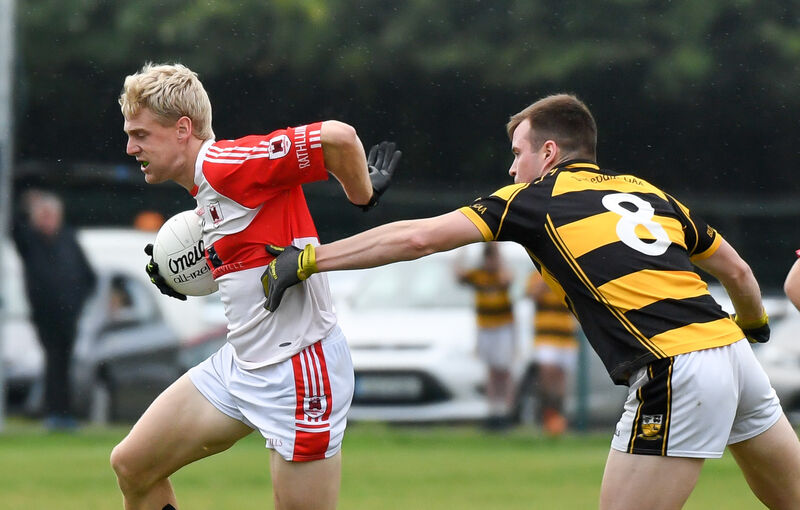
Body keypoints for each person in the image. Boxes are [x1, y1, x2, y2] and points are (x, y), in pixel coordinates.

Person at [262, 93, 800, 509]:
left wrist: (308, 259)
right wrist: (750, 328)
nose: (512, 169)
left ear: (548, 152)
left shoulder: (532, 200)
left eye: (517, 154)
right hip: (734, 357)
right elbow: (738, 271)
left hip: (675, 368)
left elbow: (417, 238)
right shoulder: (647, 191)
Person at [111, 62, 401, 510]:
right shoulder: (207, 190)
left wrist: (362, 195)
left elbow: (339, 138)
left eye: (141, 135)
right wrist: (186, 275)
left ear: (183, 129)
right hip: (242, 364)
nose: (130, 147)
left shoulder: (226, 165)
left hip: (298, 368)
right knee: (133, 465)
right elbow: (253, 248)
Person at [12, 189, 97, 430]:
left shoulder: (68, 239)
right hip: (45, 315)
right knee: (53, 362)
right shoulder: (30, 241)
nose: (48, 220)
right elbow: (13, 225)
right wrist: (26, 205)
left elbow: (89, 276)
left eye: (51, 215)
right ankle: (53, 413)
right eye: (43, 215)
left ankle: (64, 413)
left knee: (64, 363)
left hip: (69, 315)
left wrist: (78, 303)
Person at [455, 243, 516, 429]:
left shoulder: (501, 276)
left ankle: (506, 411)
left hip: (503, 328)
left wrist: (497, 249)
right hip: (485, 329)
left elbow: (509, 277)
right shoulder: (478, 276)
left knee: (503, 370)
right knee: (491, 371)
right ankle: (492, 411)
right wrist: (462, 248)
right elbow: (458, 275)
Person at [525, 270, 578, 436]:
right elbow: (533, 296)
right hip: (545, 336)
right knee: (547, 376)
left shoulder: (566, 272)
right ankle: (545, 418)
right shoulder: (536, 275)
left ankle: (558, 420)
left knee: (561, 383)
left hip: (566, 337)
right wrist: (546, 274)